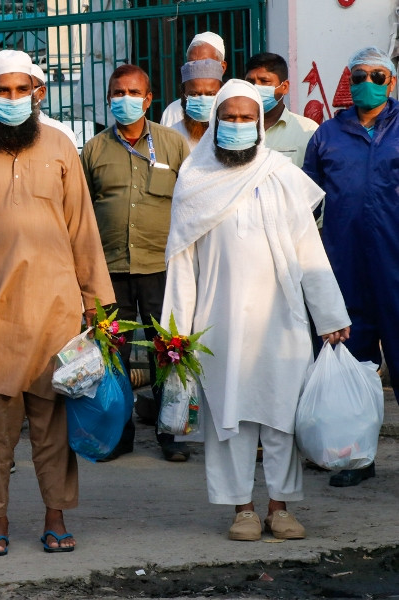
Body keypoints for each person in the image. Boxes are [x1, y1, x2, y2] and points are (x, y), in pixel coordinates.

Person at [0, 49, 115, 556]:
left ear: (39, 92)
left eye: (20, 90)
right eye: (1, 91)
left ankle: (55, 516)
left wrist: (96, 304)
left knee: (53, 422)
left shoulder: (60, 146)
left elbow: (83, 228)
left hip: (57, 308)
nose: (11, 100)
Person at [163, 80, 350, 542]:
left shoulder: (280, 176)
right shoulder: (194, 178)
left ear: (261, 125)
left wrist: (329, 316)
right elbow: (183, 262)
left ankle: (280, 507)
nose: (239, 126)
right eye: (230, 117)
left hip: (281, 320)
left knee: (281, 414)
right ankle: (242, 509)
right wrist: (176, 331)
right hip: (218, 322)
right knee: (229, 420)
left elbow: (309, 251)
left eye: (248, 118)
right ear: (215, 122)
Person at [79, 64, 191, 462]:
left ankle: (170, 432)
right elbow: (81, 211)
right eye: (116, 92)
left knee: (169, 350)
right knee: (115, 355)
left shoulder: (173, 145)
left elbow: (189, 203)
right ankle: (119, 433)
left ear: (148, 99)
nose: (123, 99)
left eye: (132, 92)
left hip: (162, 267)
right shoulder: (94, 149)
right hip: (109, 271)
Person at [303, 46, 397, 488]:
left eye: (378, 75)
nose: (368, 82)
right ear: (348, 80)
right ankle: (358, 458)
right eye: (360, 75)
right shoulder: (326, 136)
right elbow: (306, 209)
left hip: (396, 269)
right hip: (345, 272)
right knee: (354, 365)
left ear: (391, 82)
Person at [245, 53, 318, 168]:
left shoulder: (308, 131)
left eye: (264, 81)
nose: (255, 87)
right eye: (250, 82)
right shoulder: (236, 128)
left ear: (284, 87)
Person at [160, 32, 227, 128]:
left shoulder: (232, 109)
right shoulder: (172, 112)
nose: (197, 69)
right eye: (192, 63)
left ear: (222, 67)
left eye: (205, 63)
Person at [168, 59, 224, 149]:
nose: (203, 100)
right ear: (183, 95)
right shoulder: (171, 137)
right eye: (194, 94)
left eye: (210, 94)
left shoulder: (229, 135)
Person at [30, 64, 77, 145]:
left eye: (24, 89)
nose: (14, 96)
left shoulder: (62, 134)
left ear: (41, 92)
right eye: (4, 90)